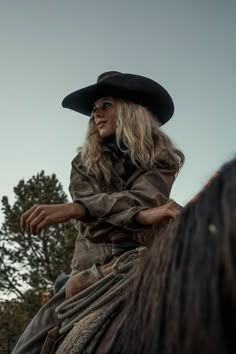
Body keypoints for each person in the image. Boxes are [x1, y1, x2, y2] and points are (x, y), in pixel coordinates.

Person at [12, 71, 184, 353]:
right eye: (93, 110)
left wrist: (79, 210)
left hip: (147, 262)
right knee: (27, 346)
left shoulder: (163, 159)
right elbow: (97, 227)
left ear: (132, 110)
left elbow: (144, 198)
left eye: (106, 105)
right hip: (88, 272)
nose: (96, 115)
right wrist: (139, 216)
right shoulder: (83, 163)